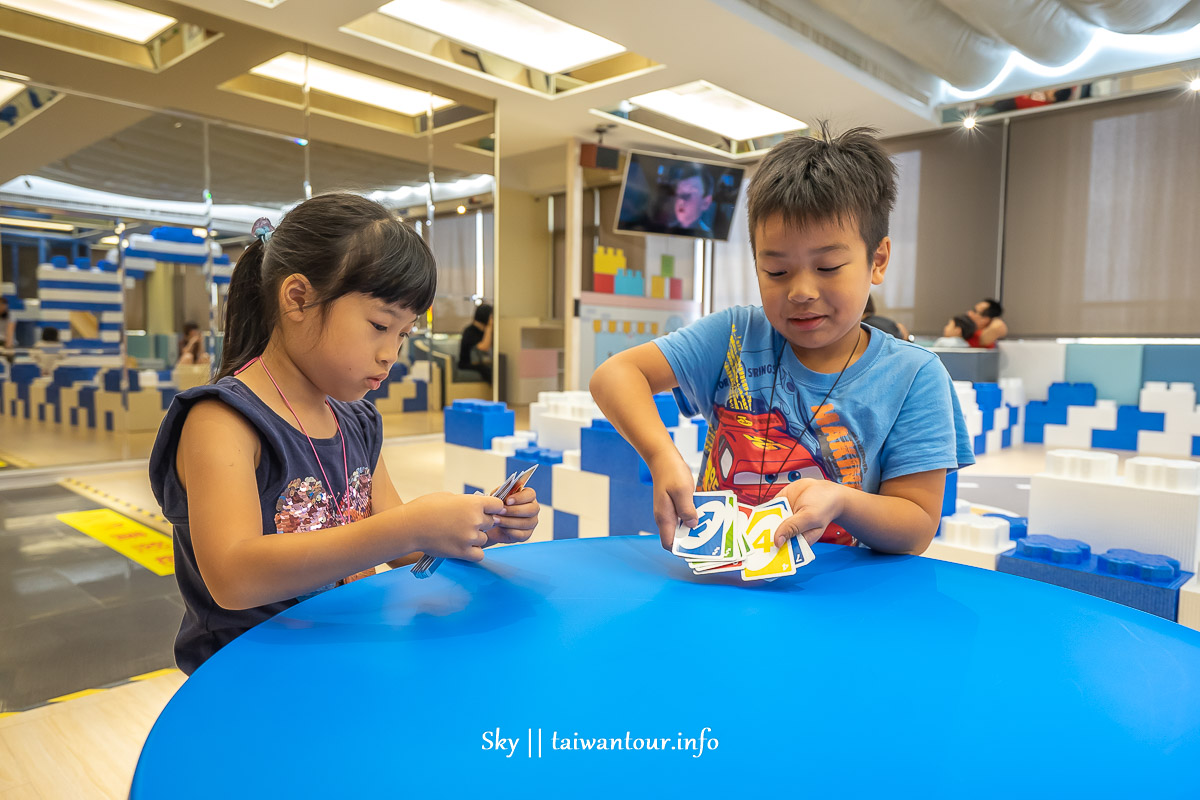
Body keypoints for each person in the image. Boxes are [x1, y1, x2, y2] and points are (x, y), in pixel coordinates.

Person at [148, 194, 540, 674]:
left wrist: (476, 528)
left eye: (404, 334)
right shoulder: (222, 421)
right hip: (249, 678)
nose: (390, 353)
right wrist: (411, 525)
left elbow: (400, 547)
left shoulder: (356, 420)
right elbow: (233, 576)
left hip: (348, 656)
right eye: (379, 325)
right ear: (297, 298)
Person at [591, 124, 974, 555]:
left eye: (828, 267)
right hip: (723, 584)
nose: (801, 291)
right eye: (775, 271)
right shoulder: (736, 335)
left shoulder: (913, 376)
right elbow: (614, 374)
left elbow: (917, 525)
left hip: (832, 597)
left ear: (878, 260)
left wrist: (843, 501)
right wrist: (662, 455)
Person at [668, 164, 714, 234]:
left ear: (706, 202)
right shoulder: (662, 231)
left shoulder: (708, 236)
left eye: (689, 193)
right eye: (679, 193)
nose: (681, 200)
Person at [458, 303, 493, 382]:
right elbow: (484, 347)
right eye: (491, 317)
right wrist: (489, 327)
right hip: (467, 363)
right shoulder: (470, 331)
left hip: (480, 362)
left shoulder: (482, 331)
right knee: (487, 370)